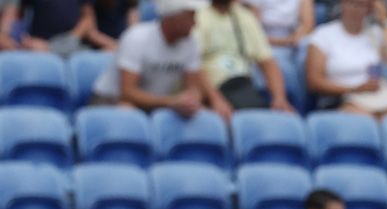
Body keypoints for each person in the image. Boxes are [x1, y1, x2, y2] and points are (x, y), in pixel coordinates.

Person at [90, 0, 227, 119]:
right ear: (174, 17)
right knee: (127, 112)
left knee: (204, 116)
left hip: (156, 104)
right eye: (190, 17)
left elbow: (193, 88)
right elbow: (127, 93)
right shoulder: (136, 38)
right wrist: (171, 102)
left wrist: (190, 102)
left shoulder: (190, 43)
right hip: (110, 101)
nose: (195, 23)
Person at [305, 0, 387, 118]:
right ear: (342, 3)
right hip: (340, 99)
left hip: (376, 97)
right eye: (353, 3)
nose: (356, 9)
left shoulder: (375, 33)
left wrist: (384, 20)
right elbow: (314, 82)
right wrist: (354, 89)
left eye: (363, 5)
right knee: (362, 119)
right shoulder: (323, 35)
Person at [196, 0, 294, 112]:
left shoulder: (246, 17)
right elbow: (193, 66)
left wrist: (279, 98)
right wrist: (216, 100)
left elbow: (267, 61)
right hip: (212, 87)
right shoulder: (197, 16)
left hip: (242, 85)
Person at [6, 0, 95, 54]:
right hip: (38, 48)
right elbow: (15, 15)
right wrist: (23, 41)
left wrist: (70, 39)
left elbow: (88, 18)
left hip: (74, 47)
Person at [243, 0, 314, 47]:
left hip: (293, 39)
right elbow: (253, 32)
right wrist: (282, 42)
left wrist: (294, 39)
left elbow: (307, 26)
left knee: (307, 44)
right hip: (266, 41)